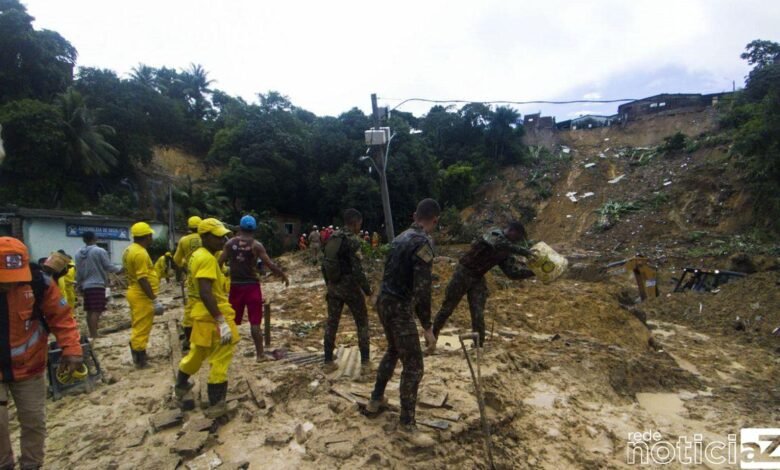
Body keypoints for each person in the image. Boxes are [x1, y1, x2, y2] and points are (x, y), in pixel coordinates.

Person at [0, 237, 83, 469]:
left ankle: (31, 465)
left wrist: (72, 349)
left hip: (30, 367)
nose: (8, 285)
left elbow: (62, 317)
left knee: (34, 422)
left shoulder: (39, 284)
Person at [368, 199, 440, 447]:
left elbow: (387, 273)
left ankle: (375, 399)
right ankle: (406, 425)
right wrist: (428, 327)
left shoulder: (399, 238)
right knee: (415, 366)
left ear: (414, 215)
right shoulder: (424, 243)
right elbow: (422, 289)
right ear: (435, 220)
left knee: (393, 349)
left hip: (384, 302)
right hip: (399, 307)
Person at [432, 222, 534, 346]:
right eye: (517, 238)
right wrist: (525, 252)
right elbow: (497, 243)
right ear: (512, 231)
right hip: (463, 273)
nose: (516, 242)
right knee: (447, 308)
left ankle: (478, 345)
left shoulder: (506, 251)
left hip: (478, 278)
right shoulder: (495, 233)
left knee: (478, 313)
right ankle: (432, 337)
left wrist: (533, 272)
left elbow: (512, 273)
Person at [174, 219, 238, 417]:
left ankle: (182, 384)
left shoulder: (196, 255)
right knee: (222, 354)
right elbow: (205, 292)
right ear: (205, 237)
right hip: (213, 313)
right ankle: (217, 403)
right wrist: (221, 321)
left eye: (223, 236)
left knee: (198, 351)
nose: (223, 240)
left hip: (200, 314)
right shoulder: (208, 259)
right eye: (218, 236)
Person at [219, 215, 289, 362]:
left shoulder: (230, 243)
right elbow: (269, 264)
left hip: (235, 286)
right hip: (252, 287)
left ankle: (221, 354)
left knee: (230, 321)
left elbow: (218, 262)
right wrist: (282, 275)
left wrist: (218, 281)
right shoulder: (256, 245)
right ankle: (260, 355)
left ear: (240, 227)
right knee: (255, 323)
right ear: (254, 229)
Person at [321, 209, 372, 374]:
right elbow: (357, 271)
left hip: (334, 287)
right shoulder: (352, 241)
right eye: (359, 224)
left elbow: (325, 263)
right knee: (362, 322)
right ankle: (365, 362)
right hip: (350, 288)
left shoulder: (332, 237)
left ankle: (328, 361)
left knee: (332, 323)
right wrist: (368, 291)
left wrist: (328, 283)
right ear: (356, 222)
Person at [122, 222, 162, 368]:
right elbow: (142, 278)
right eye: (150, 235)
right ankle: (140, 359)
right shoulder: (140, 253)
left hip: (134, 291)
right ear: (147, 236)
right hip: (140, 294)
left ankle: (139, 352)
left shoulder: (129, 250)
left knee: (138, 324)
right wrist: (154, 299)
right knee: (142, 327)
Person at [76, 231, 122, 339]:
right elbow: (107, 266)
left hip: (85, 285)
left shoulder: (78, 253)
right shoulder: (99, 251)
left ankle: (92, 333)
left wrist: (79, 285)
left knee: (89, 310)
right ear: (95, 238)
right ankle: (94, 335)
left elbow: (78, 270)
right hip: (97, 284)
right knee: (96, 310)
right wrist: (120, 269)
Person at [173, 216, 203, 351]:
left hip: (192, 278)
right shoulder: (207, 239)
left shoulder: (183, 240)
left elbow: (177, 259)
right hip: (208, 276)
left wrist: (185, 269)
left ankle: (190, 341)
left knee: (190, 310)